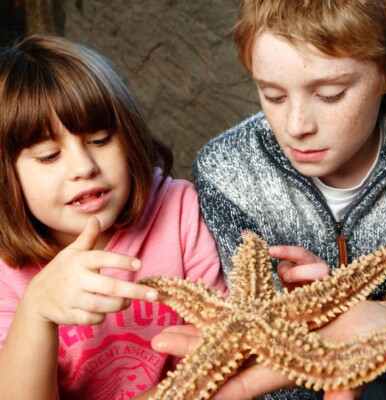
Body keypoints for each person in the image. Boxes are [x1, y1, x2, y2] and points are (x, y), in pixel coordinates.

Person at [152, 0, 386, 399]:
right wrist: (315, 321)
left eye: (331, 95)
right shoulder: (227, 170)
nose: (297, 126)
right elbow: (256, 331)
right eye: (273, 96)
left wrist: (385, 311)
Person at [0, 34, 226, 400]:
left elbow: (228, 348)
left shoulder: (177, 210)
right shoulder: (7, 273)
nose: (84, 167)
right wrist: (36, 310)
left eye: (101, 139)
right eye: (48, 156)